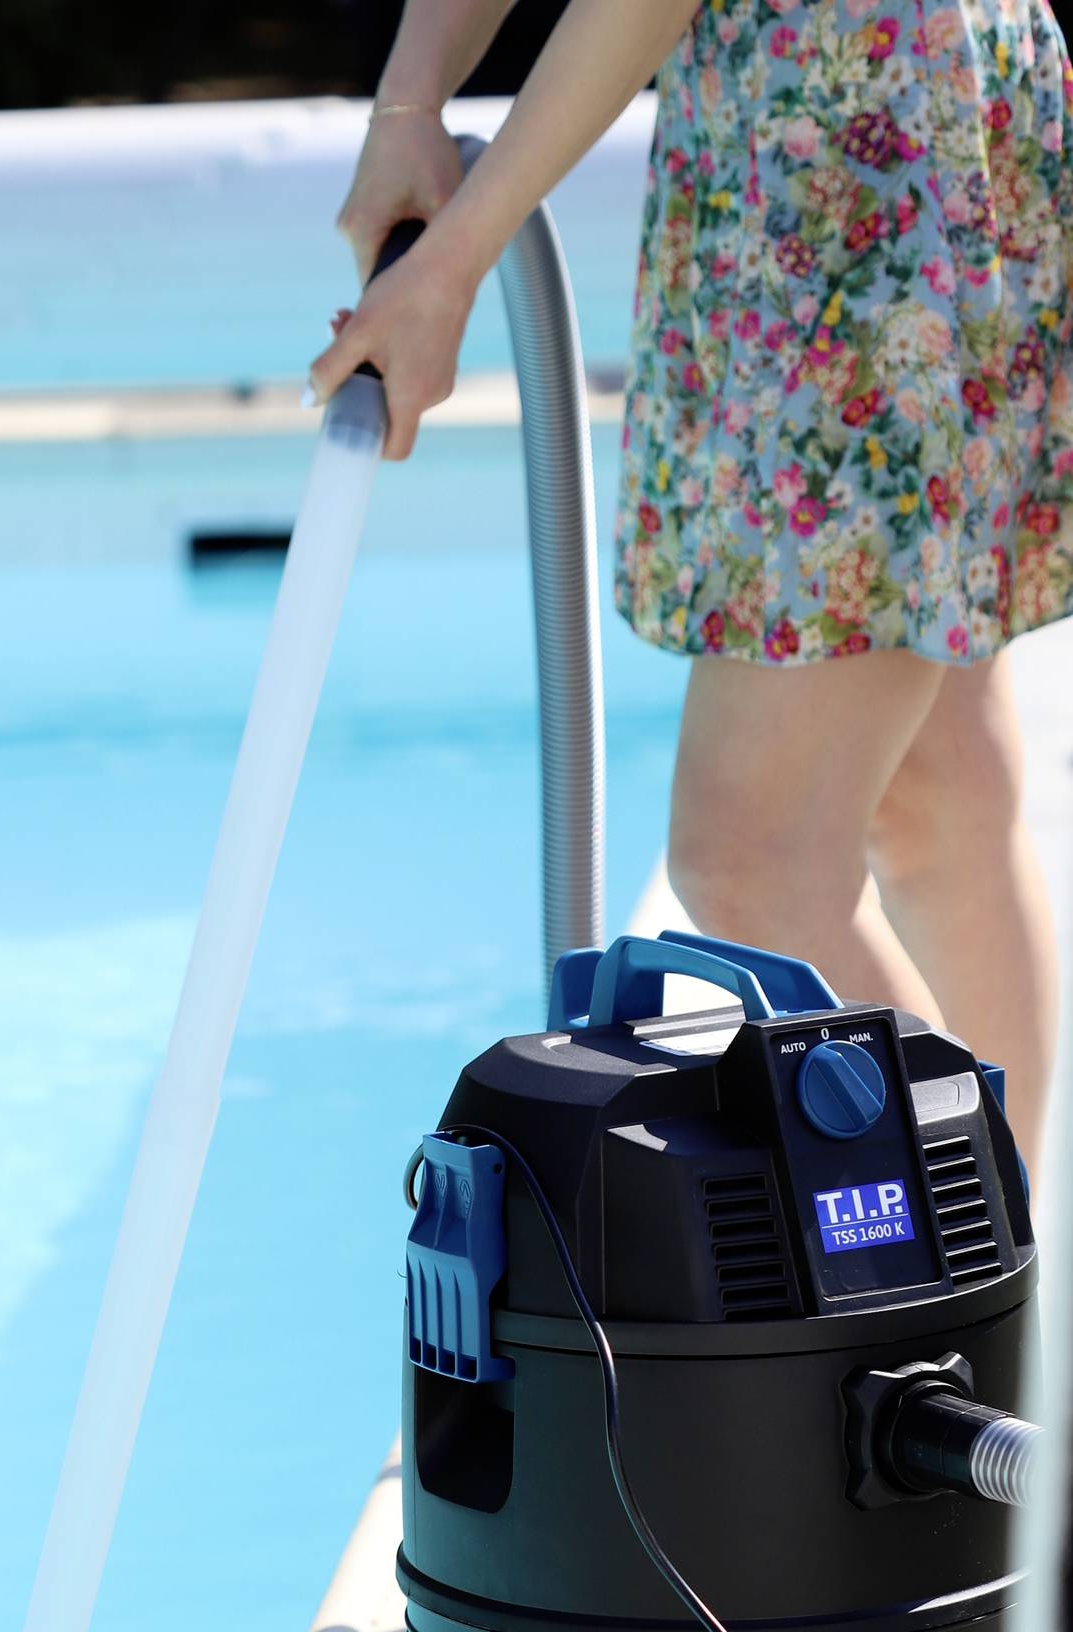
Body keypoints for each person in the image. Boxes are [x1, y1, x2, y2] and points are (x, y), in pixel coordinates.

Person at [310, 1, 1073, 1152]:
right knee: (932, 792)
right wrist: (411, 99)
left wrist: (454, 256)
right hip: (855, 126)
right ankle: (1000, 1273)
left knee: (747, 855)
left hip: (863, 147)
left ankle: (973, 1264)